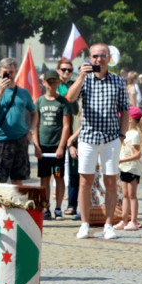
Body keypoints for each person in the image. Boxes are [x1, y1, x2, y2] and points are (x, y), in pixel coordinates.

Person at [65, 43, 128, 239]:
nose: (98, 59)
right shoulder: (85, 79)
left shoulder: (118, 81)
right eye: (95, 56)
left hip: (110, 138)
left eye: (102, 56)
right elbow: (70, 98)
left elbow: (125, 109)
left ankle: (109, 224)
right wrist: (81, 76)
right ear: (89, 58)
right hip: (88, 138)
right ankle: (85, 223)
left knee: (110, 181)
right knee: (85, 181)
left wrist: (122, 135)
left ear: (109, 58)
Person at [0, 57, 37, 185]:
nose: (9, 75)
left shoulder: (23, 93)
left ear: (16, 71)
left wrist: (31, 131)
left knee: (18, 178)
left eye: (11, 72)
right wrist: (0, 91)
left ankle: (16, 204)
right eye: (5, 72)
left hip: (20, 140)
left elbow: (34, 113)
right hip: (1, 141)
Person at [34, 69, 71, 220]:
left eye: (54, 81)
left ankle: (58, 208)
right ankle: (46, 207)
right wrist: (36, 145)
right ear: (44, 83)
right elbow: (35, 125)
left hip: (57, 147)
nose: (51, 84)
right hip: (43, 147)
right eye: (49, 82)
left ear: (58, 82)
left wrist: (61, 146)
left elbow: (66, 125)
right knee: (44, 178)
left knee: (58, 176)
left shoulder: (63, 102)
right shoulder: (39, 102)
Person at [56, 58, 81, 216]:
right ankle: (54, 206)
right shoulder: (52, 86)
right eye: (63, 69)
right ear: (58, 70)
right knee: (56, 172)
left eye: (69, 70)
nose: (66, 73)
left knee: (74, 172)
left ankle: (72, 204)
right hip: (55, 136)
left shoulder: (75, 86)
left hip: (73, 133)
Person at [118, 107, 142, 230]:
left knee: (132, 195)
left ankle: (133, 220)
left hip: (132, 168)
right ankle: (124, 219)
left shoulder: (135, 134)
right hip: (123, 167)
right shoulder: (125, 133)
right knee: (125, 194)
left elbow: (138, 153)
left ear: (130, 119)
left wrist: (123, 160)